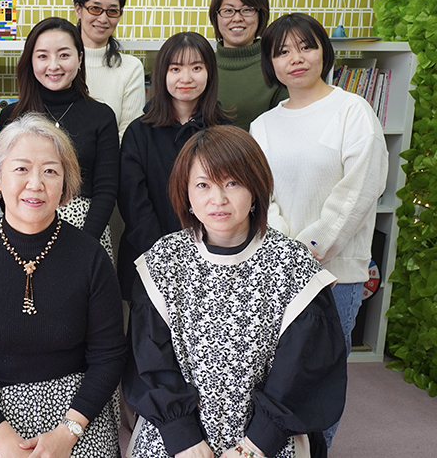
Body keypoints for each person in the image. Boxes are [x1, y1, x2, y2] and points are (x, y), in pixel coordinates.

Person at [123, 125, 347, 458]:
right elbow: (149, 359)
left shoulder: (293, 264)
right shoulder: (164, 260)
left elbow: (304, 367)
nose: (218, 199)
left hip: (267, 439)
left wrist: (256, 445)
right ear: (186, 194)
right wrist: (183, 437)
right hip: (178, 437)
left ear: (255, 189)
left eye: (232, 183)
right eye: (203, 185)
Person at [0, 113, 127, 458]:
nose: (35, 184)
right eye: (21, 169)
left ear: (65, 183)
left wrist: (68, 432)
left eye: (50, 171)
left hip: (76, 412)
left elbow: (109, 356)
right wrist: (2, 438)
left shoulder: (91, 257)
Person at [251, 12, 388, 447]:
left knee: (322, 375)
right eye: (282, 51)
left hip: (336, 273)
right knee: (276, 371)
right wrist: (286, 254)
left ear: (323, 52)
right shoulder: (263, 126)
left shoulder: (353, 111)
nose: (296, 58)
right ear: (271, 63)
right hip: (277, 270)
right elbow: (260, 195)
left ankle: (317, 451)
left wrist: (308, 249)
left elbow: (360, 189)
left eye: (306, 46)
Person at [118, 32, 229, 301]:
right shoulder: (139, 133)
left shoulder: (227, 132)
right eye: (175, 68)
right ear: (162, 74)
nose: (186, 78)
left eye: (196, 68)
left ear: (210, 73)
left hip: (214, 259)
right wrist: (165, 255)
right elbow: (133, 203)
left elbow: (231, 199)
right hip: (149, 259)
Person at [0, 17, 119, 259]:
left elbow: (106, 189)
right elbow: (4, 184)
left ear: (80, 59)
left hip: (87, 232)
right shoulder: (11, 116)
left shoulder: (101, 116)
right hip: (23, 230)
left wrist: (85, 244)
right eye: (43, 56)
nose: (53, 65)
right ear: (31, 61)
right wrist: (21, 232)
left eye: (64, 55)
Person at [209, 0, 288, 130]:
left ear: (260, 15)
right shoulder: (202, 66)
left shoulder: (277, 65)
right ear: (216, 16)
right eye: (228, 11)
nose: (237, 18)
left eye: (247, 10)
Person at [73, 0, 145, 139]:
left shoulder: (131, 67)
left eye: (112, 11)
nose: (103, 19)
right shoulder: (60, 64)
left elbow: (129, 134)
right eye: (95, 9)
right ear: (78, 10)